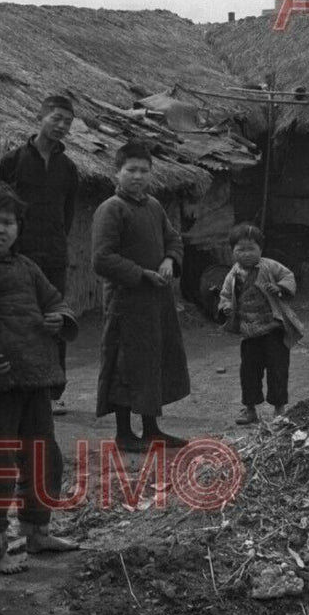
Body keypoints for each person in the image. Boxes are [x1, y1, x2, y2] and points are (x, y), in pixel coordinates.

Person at [0, 183, 80, 572]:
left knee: (44, 457)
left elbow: (55, 300)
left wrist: (59, 318)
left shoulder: (27, 267)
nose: (0, 230)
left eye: (8, 222)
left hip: (34, 376)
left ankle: (37, 530)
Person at [91, 141, 192, 452]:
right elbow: (102, 258)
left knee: (153, 361)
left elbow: (173, 237)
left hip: (156, 301)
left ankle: (151, 430)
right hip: (126, 302)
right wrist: (139, 274)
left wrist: (169, 261)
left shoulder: (153, 207)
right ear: (117, 173)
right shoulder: (111, 209)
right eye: (130, 170)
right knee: (125, 364)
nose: (137, 176)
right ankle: (124, 433)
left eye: (143, 171)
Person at [0, 95, 79, 415]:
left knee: (55, 318)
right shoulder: (13, 161)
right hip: (20, 252)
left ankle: (53, 390)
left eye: (68, 123)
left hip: (54, 254)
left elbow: (68, 212)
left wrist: (58, 240)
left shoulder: (68, 168)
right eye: (56, 118)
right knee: (20, 318)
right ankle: (19, 384)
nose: (61, 126)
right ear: (39, 116)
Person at [217, 223, 302, 426]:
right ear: (233, 252)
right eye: (241, 250)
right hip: (249, 333)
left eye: (251, 249)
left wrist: (279, 287)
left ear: (260, 249)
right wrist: (226, 307)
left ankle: (279, 409)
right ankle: (250, 410)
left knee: (278, 370)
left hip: (274, 330)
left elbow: (288, 276)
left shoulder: (269, 266)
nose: (246, 254)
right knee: (249, 372)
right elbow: (225, 295)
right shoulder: (233, 274)